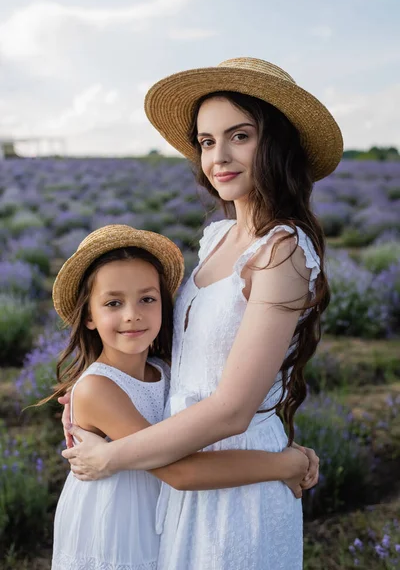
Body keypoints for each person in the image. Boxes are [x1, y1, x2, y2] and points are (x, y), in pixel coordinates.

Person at [61, 57, 342, 569]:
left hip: (240, 476)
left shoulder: (280, 251)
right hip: (180, 463)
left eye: (240, 136)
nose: (219, 157)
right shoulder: (217, 238)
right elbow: (189, 354)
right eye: (208, 141)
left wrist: (113, 456)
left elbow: (233, 408)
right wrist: (96, 394)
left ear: (275, 142)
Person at [48, 224, 310, 570]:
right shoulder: (99, 388)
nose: (132, 314)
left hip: (157, 518)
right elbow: (178, 471)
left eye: (147, 298)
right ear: (88, 317)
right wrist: (284, 464)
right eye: (113, 302)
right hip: (115, 528)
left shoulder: (165, 370)